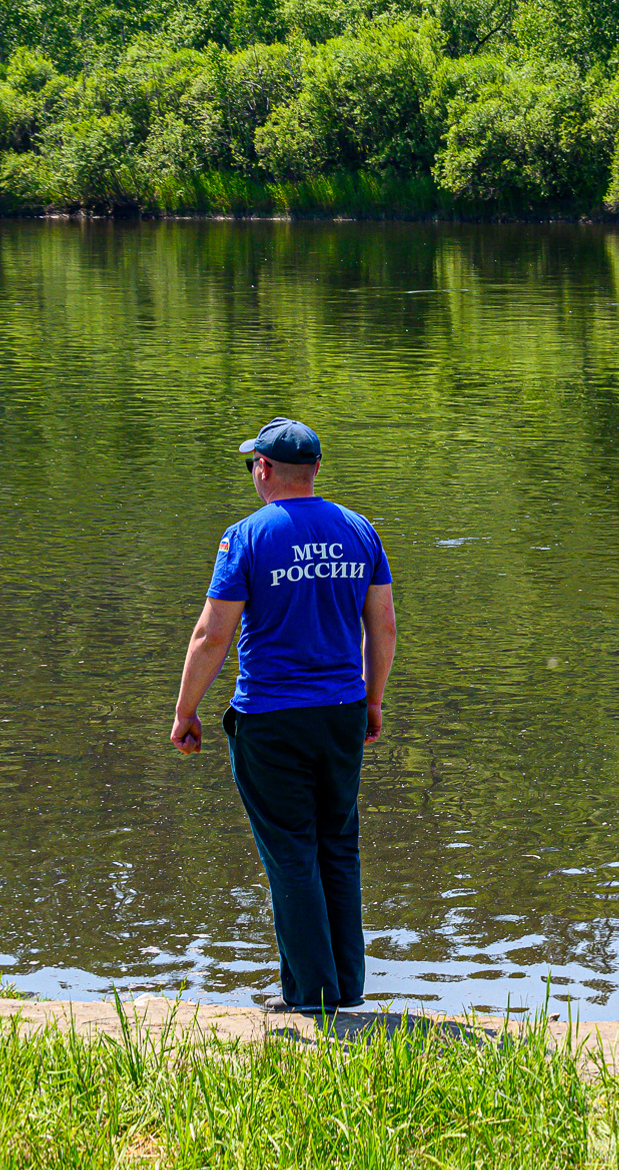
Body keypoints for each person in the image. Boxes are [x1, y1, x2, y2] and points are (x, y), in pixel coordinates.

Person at [169, 417, 397, 1016]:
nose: (253, 475)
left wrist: (186, 709)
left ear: (264, 470)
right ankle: (346, 987)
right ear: (316, 470)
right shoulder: (360, 531)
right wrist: (373, 701)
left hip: (271, 718)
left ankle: (311, 998)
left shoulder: (245, 537)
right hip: (342, 712)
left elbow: (213, 634)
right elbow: (384, 626)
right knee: (337, 845)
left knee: (291, 852)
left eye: (253, 466)